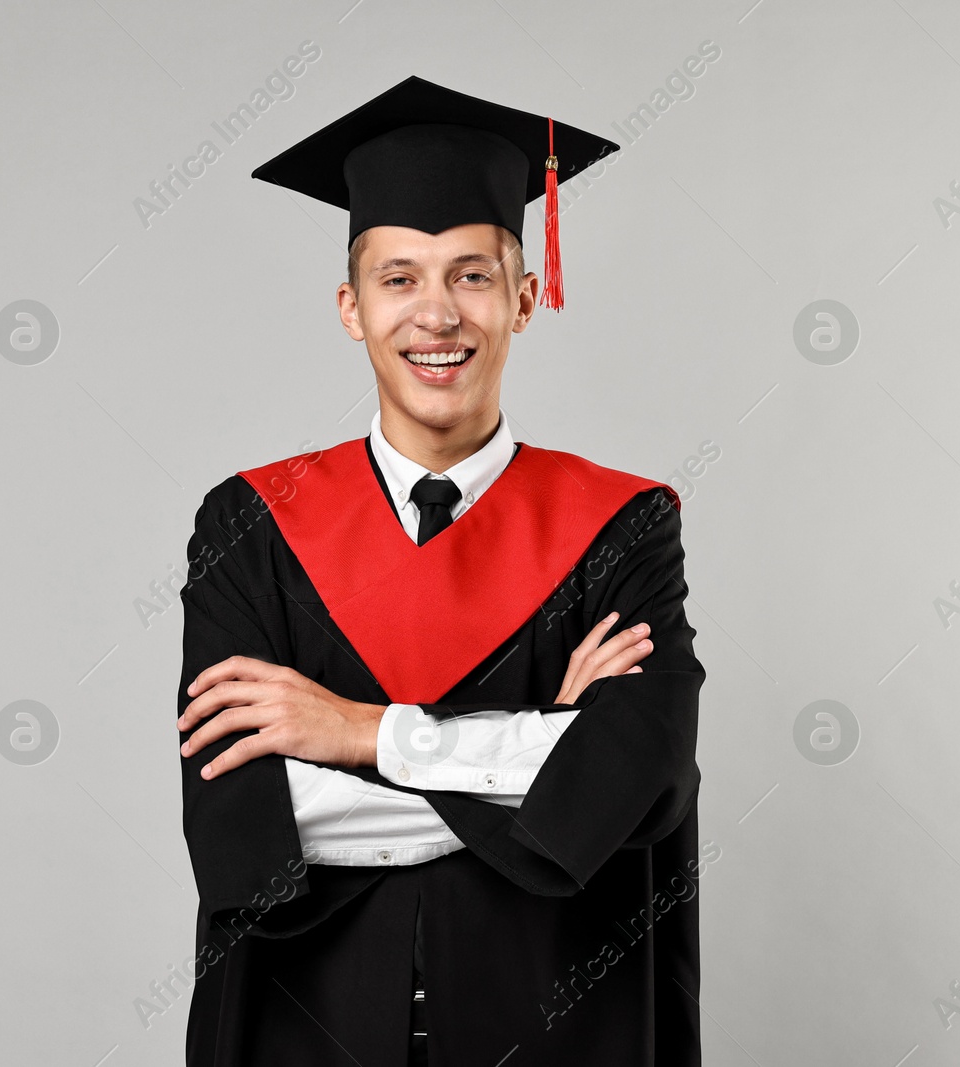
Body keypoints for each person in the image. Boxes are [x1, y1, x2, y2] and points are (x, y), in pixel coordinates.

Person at [174, 76, 710, 1066]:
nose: (436, 314)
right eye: (398, 278)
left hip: (557, 1030)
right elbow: (241, 826)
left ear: (520, 299)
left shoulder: (622, 528)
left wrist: (356, 733)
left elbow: (638, 785)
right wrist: (545, 757)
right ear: (350, 307)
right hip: (307, 1031)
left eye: (469, 276)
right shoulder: (251, 526)